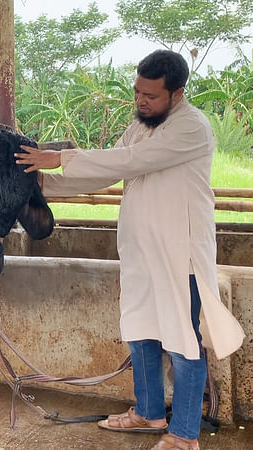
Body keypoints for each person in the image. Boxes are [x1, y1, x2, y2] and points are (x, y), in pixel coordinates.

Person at [14, 49, 245, 450]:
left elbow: (132, 159)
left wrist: (60, 157)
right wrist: (41, 184)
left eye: (151, 96)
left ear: (177, 94)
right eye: (137, 92)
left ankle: (185, 434)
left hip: (179, 258)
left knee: (182, 340)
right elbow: (111, 169)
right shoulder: (140, 126)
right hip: (140, 255)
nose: (141, 101)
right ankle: (149, 412)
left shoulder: (191, 127)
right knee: (140, 331)